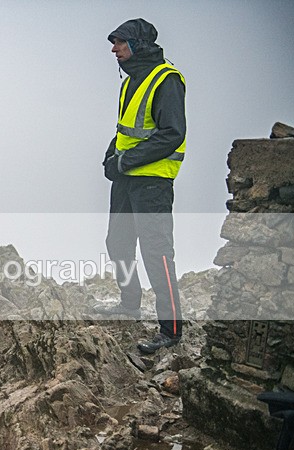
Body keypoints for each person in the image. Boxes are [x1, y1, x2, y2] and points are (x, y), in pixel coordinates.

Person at [94, 19, 186, 355]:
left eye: (119, 42)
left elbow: (171, 133)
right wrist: (111, 157)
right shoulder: (131, 80)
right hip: (126, 180)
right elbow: (127, 128)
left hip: (153, 182)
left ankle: (171, 329)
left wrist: (125, 162)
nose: (113, 49)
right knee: (117, 242)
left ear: (138, 44)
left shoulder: (167, 79)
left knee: (157, 253)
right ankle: (129, 303)